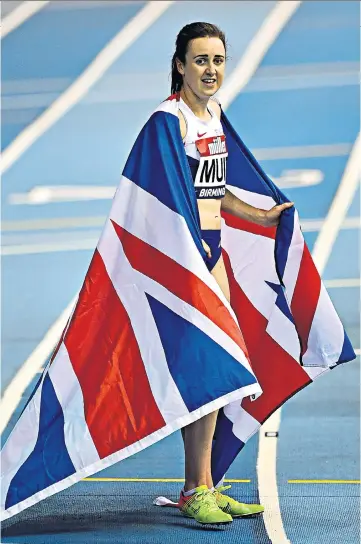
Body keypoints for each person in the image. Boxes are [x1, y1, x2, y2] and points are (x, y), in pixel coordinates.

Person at [169, 22, 294, 525]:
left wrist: (261, 218)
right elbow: (162, 195)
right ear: (180, 65)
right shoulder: (169, 121)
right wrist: (188, 254)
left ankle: (203, 486)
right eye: (200, 60)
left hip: (213, 257)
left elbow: (212, 191)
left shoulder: (213, 116)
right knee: (208, 371)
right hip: (186, 261)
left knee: (219, 372)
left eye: (217, 60)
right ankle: (192, 489)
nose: (211, 70)